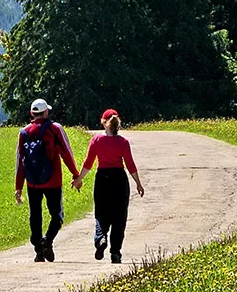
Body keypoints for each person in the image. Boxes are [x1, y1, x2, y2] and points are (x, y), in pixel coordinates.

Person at [72, 108, 144, 264]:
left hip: (102, 179)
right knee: (119, 216)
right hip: (119, 179)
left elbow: (88, 164)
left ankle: (100, 238)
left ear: (103, 123)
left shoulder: (97, 141)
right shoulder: (123, 142)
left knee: (101, 212)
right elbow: (130, 164)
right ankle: (115, 252)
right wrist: (138, 183)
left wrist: (78, 179)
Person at [15, 98, 80, 262]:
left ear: (32, 113)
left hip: (32, 182)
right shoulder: (55, 129)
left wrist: (18, 188)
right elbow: (66, 153)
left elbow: (20, 162)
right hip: (53, 181)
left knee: (35, 216)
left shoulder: (24, 133)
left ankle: (38, 252)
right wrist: (75, 175)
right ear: (46, 112)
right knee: (57, 215)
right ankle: (47, 240)